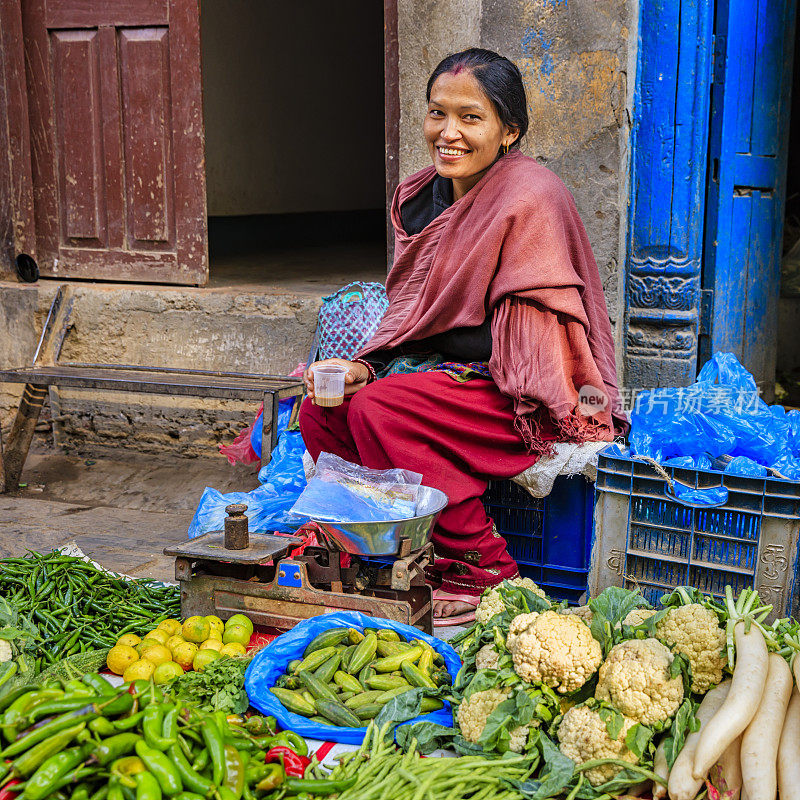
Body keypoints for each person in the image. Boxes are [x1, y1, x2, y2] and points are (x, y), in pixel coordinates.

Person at [299, 48, 625, 625]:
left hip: (523, 391)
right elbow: (413, 313)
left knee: (383, 411)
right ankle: (389, 545)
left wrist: (398, 383)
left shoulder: (530, 196)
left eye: (470, 118)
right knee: (322, 412)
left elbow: (531, 350)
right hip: (439, 379)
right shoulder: (420, 196)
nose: (447, 133)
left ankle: (482, 568)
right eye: (436, 114)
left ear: (509, 131)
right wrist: (367, 366)